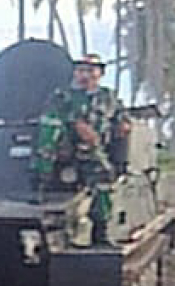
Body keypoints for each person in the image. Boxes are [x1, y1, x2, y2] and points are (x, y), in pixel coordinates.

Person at [33, 53, 126, 243]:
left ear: (99, 74)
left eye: (91, 71)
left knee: (104, 180)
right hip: (65, 152)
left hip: (93, 151)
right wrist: (75, 124)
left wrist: (123, 125)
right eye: (81, 70)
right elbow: (50, 122)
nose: (85, 75)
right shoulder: (63, 97)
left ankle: (101, 232)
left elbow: (120, 117)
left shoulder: (107, 97)